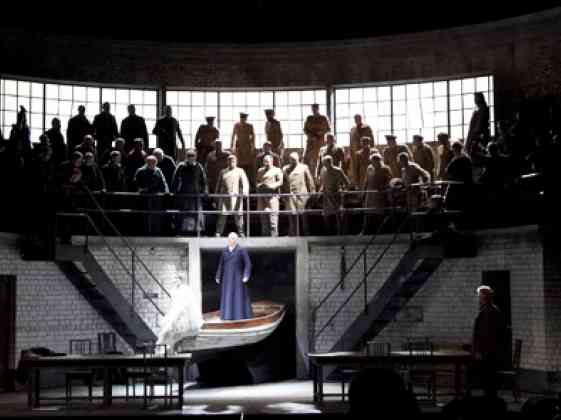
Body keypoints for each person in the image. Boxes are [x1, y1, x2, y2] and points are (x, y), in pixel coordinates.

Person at [467, 285, 507, 398]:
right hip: (489, 351)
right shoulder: (490, 310)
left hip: (487, 352)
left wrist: (479, 351)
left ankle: (489, 402)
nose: (478, 298)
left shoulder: (489, 312)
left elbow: (485, 334)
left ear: (484, 297)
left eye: (480, 296)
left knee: (488, 380)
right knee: (488, 381)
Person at [215, 232, 253, 321]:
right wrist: (218, 276)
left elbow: (248, 264)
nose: (231, 240)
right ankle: (227, 316)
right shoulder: (224, 251)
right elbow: (221, 265)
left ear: (236, 240)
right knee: (227, 296)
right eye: (230, 238)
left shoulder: (241, 250)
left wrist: (246, 275)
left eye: (233, 238)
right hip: (227, 278)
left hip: (238, 278)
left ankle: (239, 316)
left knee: (238, 296)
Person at [171, 149, 208, 235]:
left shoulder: (199, 166)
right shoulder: (181, 166)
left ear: (195, 157)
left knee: (197, 214)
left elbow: (204, 180)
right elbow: (175, 179)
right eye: (189, 156)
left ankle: (197, 232)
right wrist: (174, 191)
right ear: (186, 157)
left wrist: (205, 190)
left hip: (196, 195)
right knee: (182, 214)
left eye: (192, 156)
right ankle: (179, 231)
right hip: (184, 194)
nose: (191, 157)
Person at [215, 155, 250, 237]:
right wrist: (215, 197)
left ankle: (241, 233)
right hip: (224, 197)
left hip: (236, 197)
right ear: (227, 162)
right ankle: (218, 232)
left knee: (239, 216)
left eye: (233, 161)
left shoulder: (240, 171)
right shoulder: (223, 171)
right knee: (222, 216)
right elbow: (218, 184)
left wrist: (245, 191)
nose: (231, 162)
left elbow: (245, 182)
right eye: (230, 161)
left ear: (236, 162)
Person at [134, 155, 169, 235]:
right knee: (145, 216)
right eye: (150, 162)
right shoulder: (141, 171)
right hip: (145, 198)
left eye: (154, 163)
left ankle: (156, 233)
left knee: (156, 216)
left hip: (156, 198)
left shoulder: (158, 171)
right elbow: (136, 183)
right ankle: (146, 233)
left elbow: (163, 182)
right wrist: (142, 189)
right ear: (147, 162)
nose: (152, 164)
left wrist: (166, 192)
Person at [282, 152, 315, 236]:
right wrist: (283, 195)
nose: (293, 161)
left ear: (298, 159)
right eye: (291, 160)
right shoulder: (285, 169)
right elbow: (283, 182)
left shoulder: (304, 167)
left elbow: (310, 180)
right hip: (290, 196)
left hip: (302, 195)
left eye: (295, 160)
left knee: (304, 217)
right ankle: (293, 234)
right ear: (289, 160)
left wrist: (312, 193)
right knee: (292, 216)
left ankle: (306, 235)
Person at [318, 155, 351, 235]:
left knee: (338, 215)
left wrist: (343, 191)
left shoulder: (338, 171)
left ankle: (340, 233)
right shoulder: (323, 170)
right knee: (326, 215)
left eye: (326, 163)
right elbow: (322, 183)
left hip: (336, 195)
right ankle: (328, 233)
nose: (325, 165)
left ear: (330, 162)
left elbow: (347, 183)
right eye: (324, 163)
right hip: (326, 196)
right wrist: (320, 192)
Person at [361, 153, 392, 235]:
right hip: (370, 194)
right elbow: (366, 181)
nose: (374, 163)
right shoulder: (369, 168)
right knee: (367, 212)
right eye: (372, 161)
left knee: (380, 213)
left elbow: (389, 181)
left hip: (379, 194)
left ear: (379, 160)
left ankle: (381, 231)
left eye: (375, 161)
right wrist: (363, 193)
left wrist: (383, 187)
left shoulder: (385, 169)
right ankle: (365, 230)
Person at [256, 155, 283, 237]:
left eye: (267, 161)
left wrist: (271, 186)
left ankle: (274, 239)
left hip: (272, 197)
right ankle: (265, 240)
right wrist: (259, 185)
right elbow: (257, 181)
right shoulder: (260, 170)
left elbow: (280, 182)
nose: (266, 163)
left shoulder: (277, 170)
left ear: (272, 161)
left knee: (273, 221)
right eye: (264, 161)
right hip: (262, 197)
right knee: (264, 221)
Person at [303, 103, 331, 181]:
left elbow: (328, 129)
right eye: (313, 109)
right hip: (311, 143)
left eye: (315, 108)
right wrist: (311, 136)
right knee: (307, 160)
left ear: (318, 109)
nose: (314, 110)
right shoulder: (309, 118)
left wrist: (320, 133)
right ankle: (309, 179)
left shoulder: (323, 118)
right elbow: (305, 129)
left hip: (320, 143)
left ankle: (320, 179)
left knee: (321, 161)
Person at [231, 112, 256, 188]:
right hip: (239, 149)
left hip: (247, 148)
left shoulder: (250, 126)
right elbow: (233, 136)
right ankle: (238, 183)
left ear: (246, 119)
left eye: (244, 118)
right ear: (240, 118)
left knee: (249, 167)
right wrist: (232, 146)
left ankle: (250, 185)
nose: (243, 119)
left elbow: (253, 136)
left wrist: (253, 147)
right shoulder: (236, 125)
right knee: (239, 165)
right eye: (241, 118)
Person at [349, 114, 375, 183]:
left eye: (358, 118)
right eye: (355, 119)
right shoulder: (352, 129)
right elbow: (351, 142)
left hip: (366, 153)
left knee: (366, 169)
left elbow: (372, 141)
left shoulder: (367, 128)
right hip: (355, 154)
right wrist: (350, 152)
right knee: (356, 170)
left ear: (361, 119)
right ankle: (357, 184)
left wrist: (372, 150)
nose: (357, 120)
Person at [465, 92, 490, 157]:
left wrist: (473, 136)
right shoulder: (479, 110)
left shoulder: (483, 110)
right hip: (476, 134)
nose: (475, 100)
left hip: (478, 135)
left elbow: (479, 125)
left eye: (475, 98)